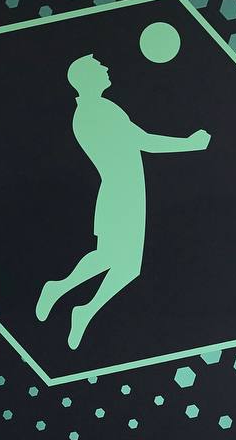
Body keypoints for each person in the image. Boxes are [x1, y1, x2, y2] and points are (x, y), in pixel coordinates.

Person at [35, 52, 210, 350]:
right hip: (121, 194)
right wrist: (190, 145)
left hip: (127, 192)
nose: (106, 67)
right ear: (88, 78)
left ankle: (81, 308)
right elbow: (145, 142)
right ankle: (62, 293)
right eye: (98, 66)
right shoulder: (98, 111)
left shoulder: (94, 110)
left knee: (120, 264)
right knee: (116, 261)